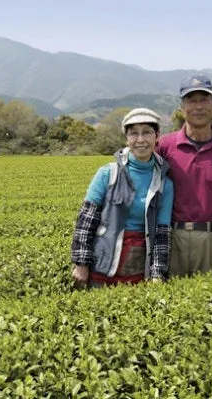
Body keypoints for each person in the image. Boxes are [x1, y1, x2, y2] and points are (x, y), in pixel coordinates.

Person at [71, 108, 174, 288]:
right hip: (102, 262)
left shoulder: (165, 183)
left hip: (139, 265)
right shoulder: (107, 174)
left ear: (157, 136)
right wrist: (81, 264)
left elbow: (161, 233)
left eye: (147, 132)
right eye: (134, 133)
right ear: (126, 138)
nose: (140, 140)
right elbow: (86, 222)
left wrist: (157, 273)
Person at [157, 74, 212, 277]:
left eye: (204, 99)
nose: (198, 107)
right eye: (191, 100)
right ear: (182, 106)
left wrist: (210, 227)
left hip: (211, 237)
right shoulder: (165, 146)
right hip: (173, 236)